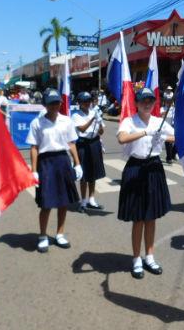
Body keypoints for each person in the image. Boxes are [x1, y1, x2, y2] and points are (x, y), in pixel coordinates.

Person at [117, 88, 174, 279]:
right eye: (143, 101)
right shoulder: (129, 121)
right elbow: (122, 138)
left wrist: (163, 137)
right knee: (138, 218)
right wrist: (144, 132)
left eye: (150, 100)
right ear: (137, 103)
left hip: (154, 168)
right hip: (136, 168)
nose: (147, 104)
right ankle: (136, 259)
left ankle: (149, 256)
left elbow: (176, 136)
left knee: (151, 217)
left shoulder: (159, 121)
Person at [26, 88, 82, 253]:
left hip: (63, 161)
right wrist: (34, 170)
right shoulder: (37, 123)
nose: (55, 106)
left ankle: (60, 233)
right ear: (45, 104)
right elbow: (34, 147)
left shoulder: (66, 121)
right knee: (46, 203)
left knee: (63, 202)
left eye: (57, 102)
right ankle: (43, 235)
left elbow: (71, 144)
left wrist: (77, 164)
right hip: (46, 163)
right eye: (51, 103)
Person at [71, 91, 106, 213]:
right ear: (79, 103)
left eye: (88, 101)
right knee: (84, 175)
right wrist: (93, 119)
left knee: (94, 173)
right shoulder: (76, 115)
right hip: (83, 144)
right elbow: (82, 129)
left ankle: (92, 199)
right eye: (84, 101)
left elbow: (101, 132)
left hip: (94, 143)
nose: (87, 103)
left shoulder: (94, 112)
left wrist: (100, 122)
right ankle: (83, 201)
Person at [160, 88, 177, 164]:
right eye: (167, 101)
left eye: (170, 101)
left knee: (176, 142)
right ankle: (169, 158)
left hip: (173, 128)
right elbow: (159, 115)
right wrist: (165, 112)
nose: (168, 102)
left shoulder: (174, 109)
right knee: (168, 143)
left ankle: (172, 154)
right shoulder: (162, 108)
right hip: (165, 128)